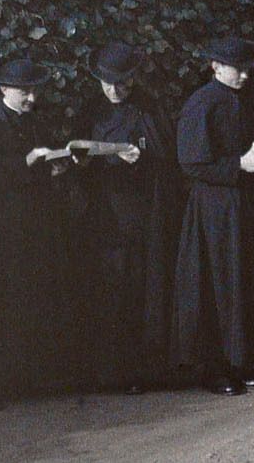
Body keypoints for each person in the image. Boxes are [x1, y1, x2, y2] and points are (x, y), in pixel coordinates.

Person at [0, 54, 77, 410]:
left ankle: (25, 376)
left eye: (35, 91)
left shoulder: (37, 124)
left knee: (29, 299)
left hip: (34, 228)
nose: (32, 99)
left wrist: (58, 168)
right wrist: (25, 163)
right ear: (4, 89)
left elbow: (40, 173)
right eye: (24, 92)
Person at [67, 38, 181, 394]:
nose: (114, 90)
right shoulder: (91, 110)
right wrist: (80, 161)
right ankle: (102, 370)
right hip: (101, 213)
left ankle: (136, 371)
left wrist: (140, 157)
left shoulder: (148, 109)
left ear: (133, 80)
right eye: (106, 83)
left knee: (137, 290)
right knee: (103, 288)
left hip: (139, 214)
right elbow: (78, 151)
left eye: (121, 83)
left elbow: (165, 153)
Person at [172, 35, 254, 394]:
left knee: (251, 281)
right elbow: (192, 163)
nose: (245, 77)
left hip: (250, 205)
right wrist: (240, 164)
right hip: (215, 211)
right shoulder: (200, 104)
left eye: (248, 71)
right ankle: (217, 368)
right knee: (218, 285)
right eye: (238, 70)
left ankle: (249, 360)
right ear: (216, 67)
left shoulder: (253, 100)